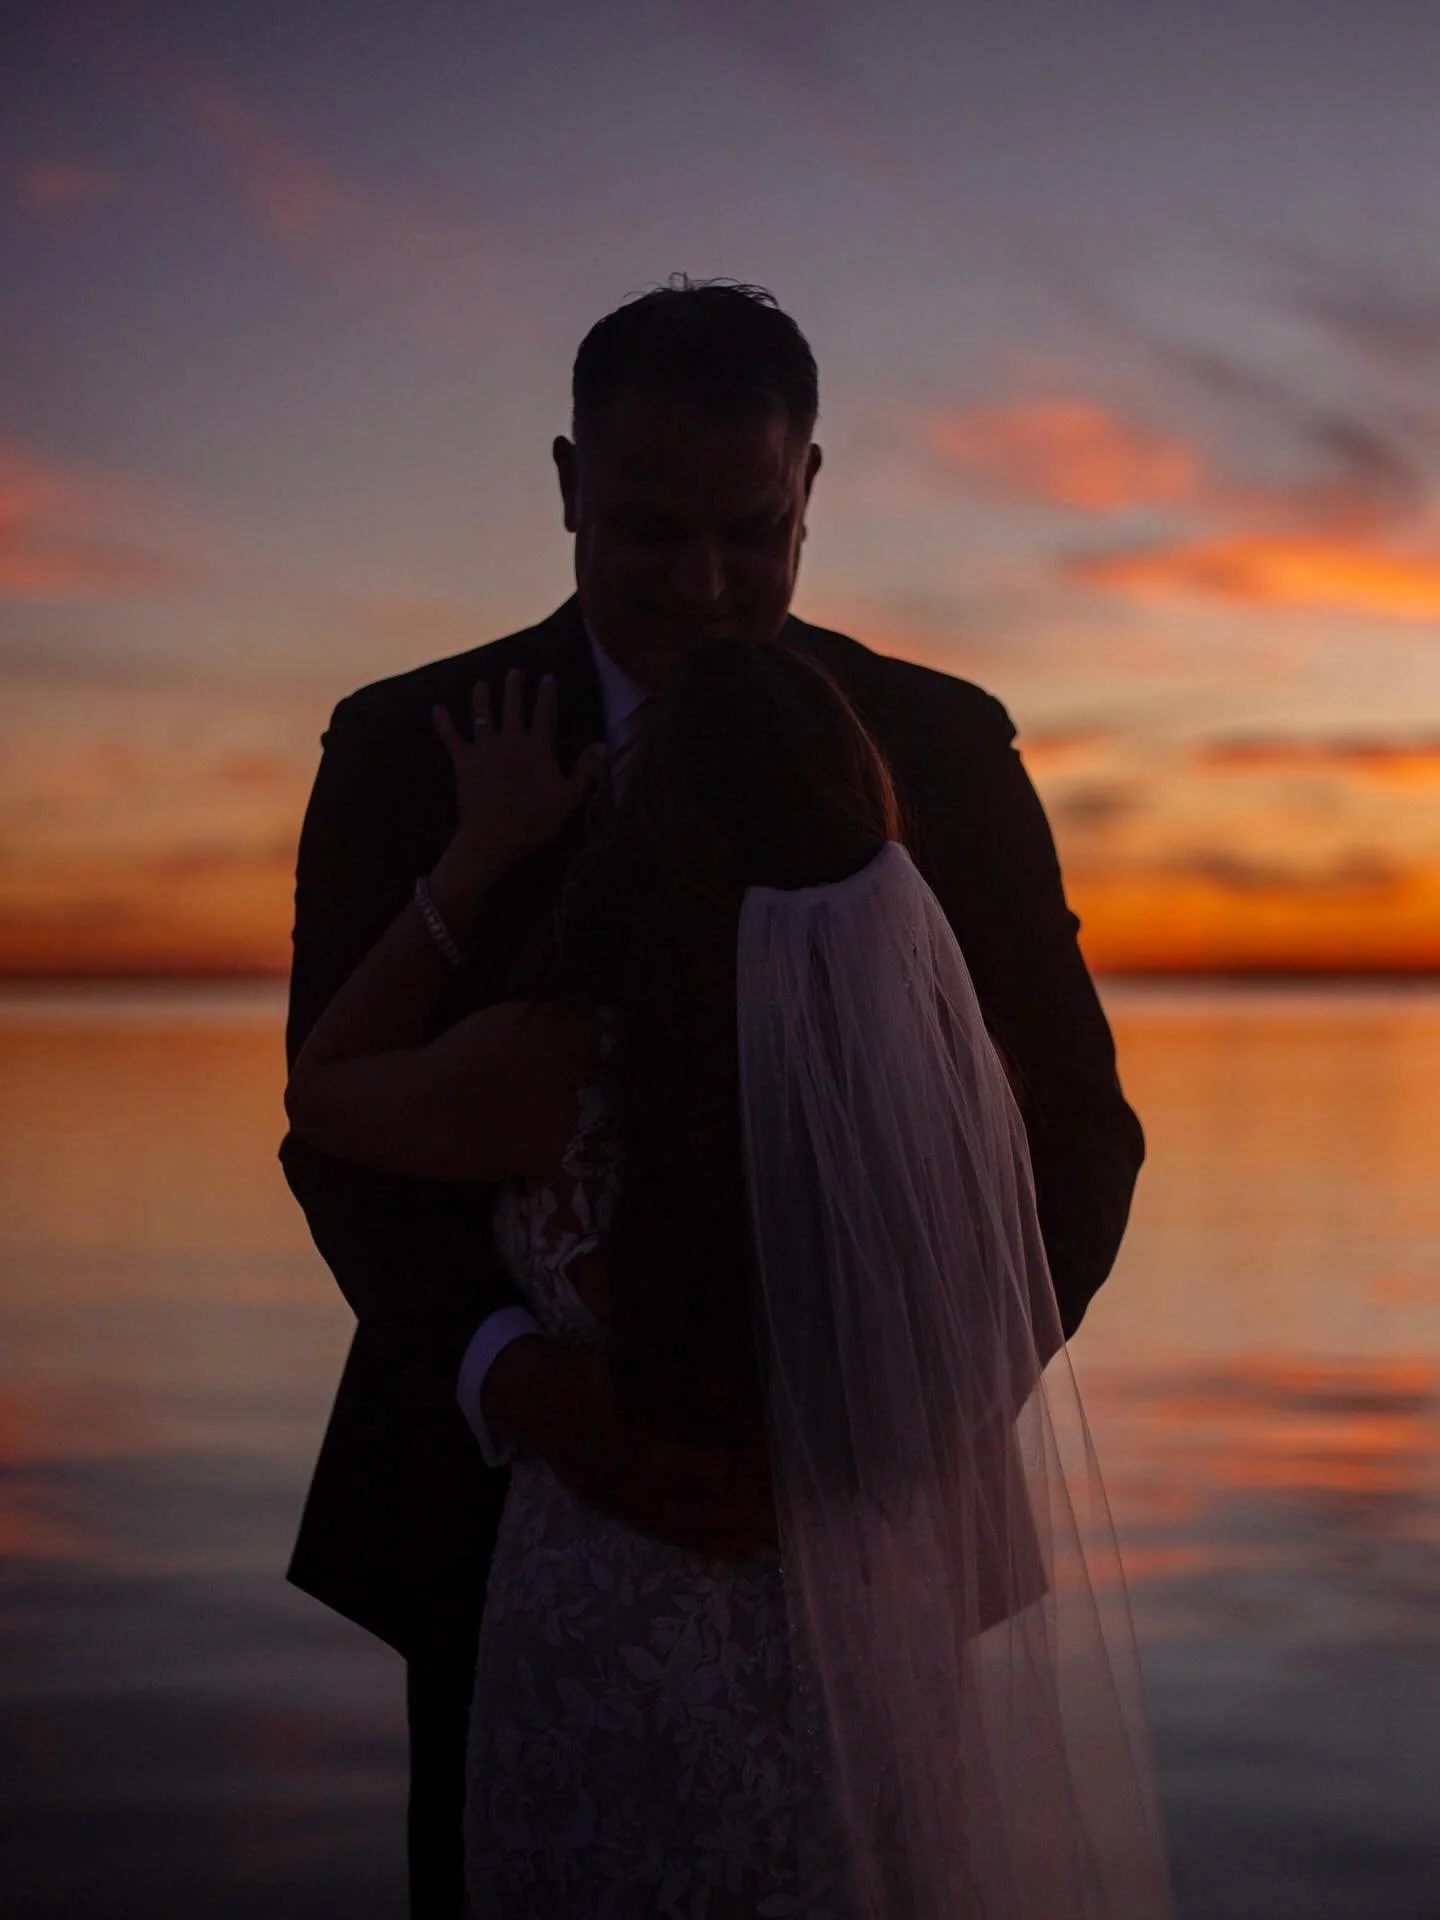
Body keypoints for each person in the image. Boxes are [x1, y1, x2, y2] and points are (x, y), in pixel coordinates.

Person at [279, 278, 1147, 1916]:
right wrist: (521, 1383)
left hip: (876, 1544)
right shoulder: (410, 744)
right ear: (563, 487)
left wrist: (876, 1419)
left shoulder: (943, 747)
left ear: (813, 484)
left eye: (752, 529)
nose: (705, 586)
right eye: (647, 529)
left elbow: (1079, 1149)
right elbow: (332, 1147)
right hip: (499, 1533)